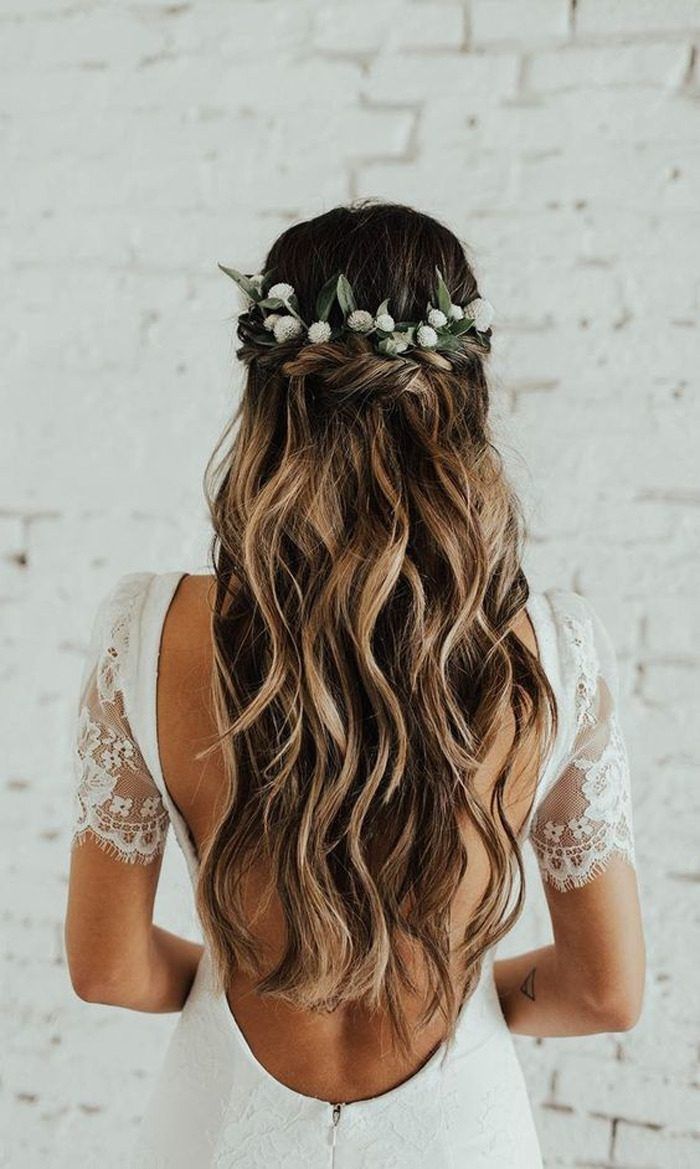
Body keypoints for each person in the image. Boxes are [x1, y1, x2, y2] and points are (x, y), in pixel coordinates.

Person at [64, 199, 645, 1168]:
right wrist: (447, 991)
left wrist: (256, 979)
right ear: (462, 392)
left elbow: (107, 966)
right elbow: (603, 989)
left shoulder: (149, 629)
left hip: (220, 1134)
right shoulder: (555, 649)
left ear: (269, 392)